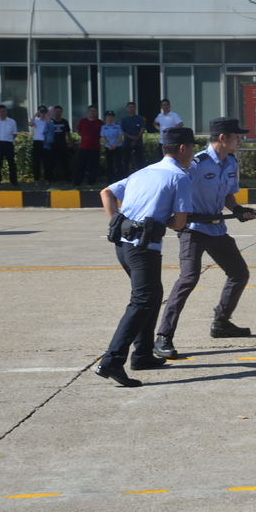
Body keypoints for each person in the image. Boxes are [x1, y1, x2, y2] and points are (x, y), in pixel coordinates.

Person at [96, 127, 195, 387]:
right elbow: (179, 223)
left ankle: (142, 354)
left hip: (124, 247)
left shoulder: (144, 171)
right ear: (182, 148)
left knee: (152, 296)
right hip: (144, 250)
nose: (194, 153)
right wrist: (165, 220)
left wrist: (118, 222)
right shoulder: (180, 177)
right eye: (192, 148)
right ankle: (112, 361)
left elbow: (106, 192)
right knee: (142, 301)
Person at [152, 118, 255, 359]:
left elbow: (228, 194)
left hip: (216, 228)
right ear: (222, 138)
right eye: (236, 136)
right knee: (188, 279)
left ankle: (221, 322)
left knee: (239, 273)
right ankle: (163, 336)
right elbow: (174, 186)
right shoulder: (196, 163)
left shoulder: (230, 162)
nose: (239, 139)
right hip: (194, 229)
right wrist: (181, 215)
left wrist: (237, 210)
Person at [0, 105, 19, 186]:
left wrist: (9, 140)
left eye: (4, 111)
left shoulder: (12, 122)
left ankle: (13, 181)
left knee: (11, 163)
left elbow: (14, 134)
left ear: (7, 112)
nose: (3, 113)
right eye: (1, 111)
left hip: (8, 144)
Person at [74, 105, 103, 186]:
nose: (93, 113)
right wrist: (84, 136)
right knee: (81, 165)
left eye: (94, 111)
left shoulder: (100, 123)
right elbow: (78, 130)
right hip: (84, 147)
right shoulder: (83, 121)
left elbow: (102, 134)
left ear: (97, 112)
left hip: (95, 147)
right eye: (91, 111)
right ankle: (78, 182)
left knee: (93, 166)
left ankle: (91, 182)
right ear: (88, 112)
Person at [45, 105, 72, 182]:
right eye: (56, 111)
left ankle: (68, 179)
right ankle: (50, 179)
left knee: (65, 163)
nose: (58, 113)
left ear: (61, 113)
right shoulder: (50, 122)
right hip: (52, 145)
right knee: (51, 163)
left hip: (62, 145)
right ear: (54, 112)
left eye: (59, 112)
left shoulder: (64, 122)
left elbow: (68, 134)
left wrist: (70, 143)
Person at [120, 101, 147, 173]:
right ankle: (125, 176)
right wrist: (131, 138)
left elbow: (142, 128)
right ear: (127, 109)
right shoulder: (124, 120)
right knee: (126, 160)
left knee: (140, 161)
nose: (131, 109)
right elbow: (122, 131)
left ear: (135, 108)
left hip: (138, 143)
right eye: (129, 107)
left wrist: (136, 139)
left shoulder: (139, 118)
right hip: (127, 143)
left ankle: (142, 175)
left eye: (133, 107)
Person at [101, 110, 124, 184]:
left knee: (118, 164)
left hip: (117, 147)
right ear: (106, 118)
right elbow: (103, 137)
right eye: (108, 116)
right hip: (108, 147)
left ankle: (119, 179)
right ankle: (109, 180)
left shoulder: (118, 126)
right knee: (109, 164)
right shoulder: (103, 127)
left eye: (111, 116)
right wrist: (109, 145)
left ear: (113, 117)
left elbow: (120, 137)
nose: (110, 118)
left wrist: (114, 145)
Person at [29, 106, 50, 183]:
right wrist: (35, 115)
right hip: (37, 142)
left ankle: (47, 179)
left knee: (46, 162)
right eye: (41, 111)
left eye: (44, 111)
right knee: (36, 161)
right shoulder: (36, 121)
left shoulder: (48, 121)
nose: (42, 113)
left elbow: (50, 126)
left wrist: (47, 116)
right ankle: (36, 179)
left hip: (45, 142)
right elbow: (30, 124)